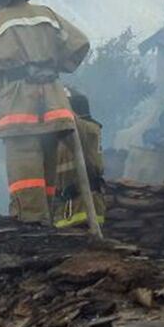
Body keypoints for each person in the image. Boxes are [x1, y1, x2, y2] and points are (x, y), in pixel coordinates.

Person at [0, 0, 91, 225]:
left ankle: (30, 225)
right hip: (55, 107)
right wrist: (53, 67)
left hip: (18, 113)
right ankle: (47, 221)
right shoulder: (47, 15)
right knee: (47, 172)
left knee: (25, 175)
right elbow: (80, 42)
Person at [52, 88, 107, 229]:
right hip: (67, 209)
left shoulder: (88, 130)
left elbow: (70, 120)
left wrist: (52, 97)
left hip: (82, 209)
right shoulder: (65, 137)